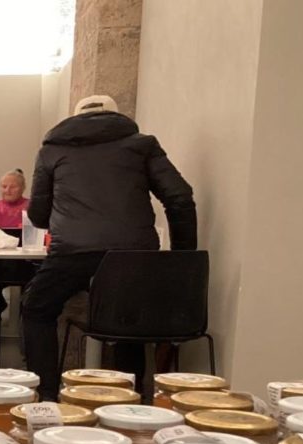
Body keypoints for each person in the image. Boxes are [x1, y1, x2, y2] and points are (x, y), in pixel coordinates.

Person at [22, 95, 197, 401]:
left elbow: (37, 215)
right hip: (133, 254)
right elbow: (180, 197)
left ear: (73, 118)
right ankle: (130, 400)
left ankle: (46, 396)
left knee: (37, 309)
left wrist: (66, 218)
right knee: (129, 319)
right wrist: (182, 258)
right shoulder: (142, 145)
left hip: (72, 250)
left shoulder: (52, 150)